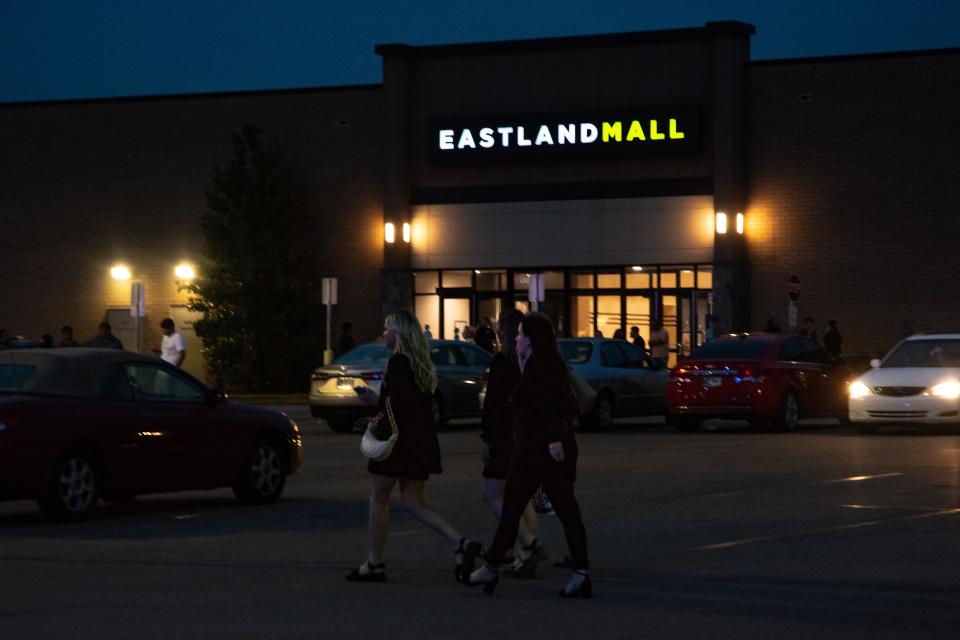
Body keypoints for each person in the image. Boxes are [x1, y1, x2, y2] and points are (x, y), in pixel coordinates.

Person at [347, 310, 480, 583]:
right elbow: (408, 404)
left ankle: (375, 562)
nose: (384, 333)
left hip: (397, 444)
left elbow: (395, 407)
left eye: (387, 328)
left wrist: (373, 418)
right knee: (413, 502)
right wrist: (376, 398)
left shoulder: (397, 363)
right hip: (419, 441)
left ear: (399, 334)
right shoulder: (420, 364)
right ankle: (460, 542)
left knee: (378, 497)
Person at [465, 313, 591, 598]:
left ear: (531, 340)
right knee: (529, 509)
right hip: (538, 449)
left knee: (545, 510)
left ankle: (495, 567)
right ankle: (495, 565)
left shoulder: (539, 368)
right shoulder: (538, 364)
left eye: (521, 334)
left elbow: (549, 406)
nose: (516, 338)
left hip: (542, 450)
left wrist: (554, 439)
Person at [479, 309, 545, 576]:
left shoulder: (502, 362)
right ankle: (523, 552)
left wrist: (488, 439)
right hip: (528, 434)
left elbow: (493, 404)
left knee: (492, 493)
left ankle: (528, 543)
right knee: (520, 494)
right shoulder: (529, 362)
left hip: (505, 436)